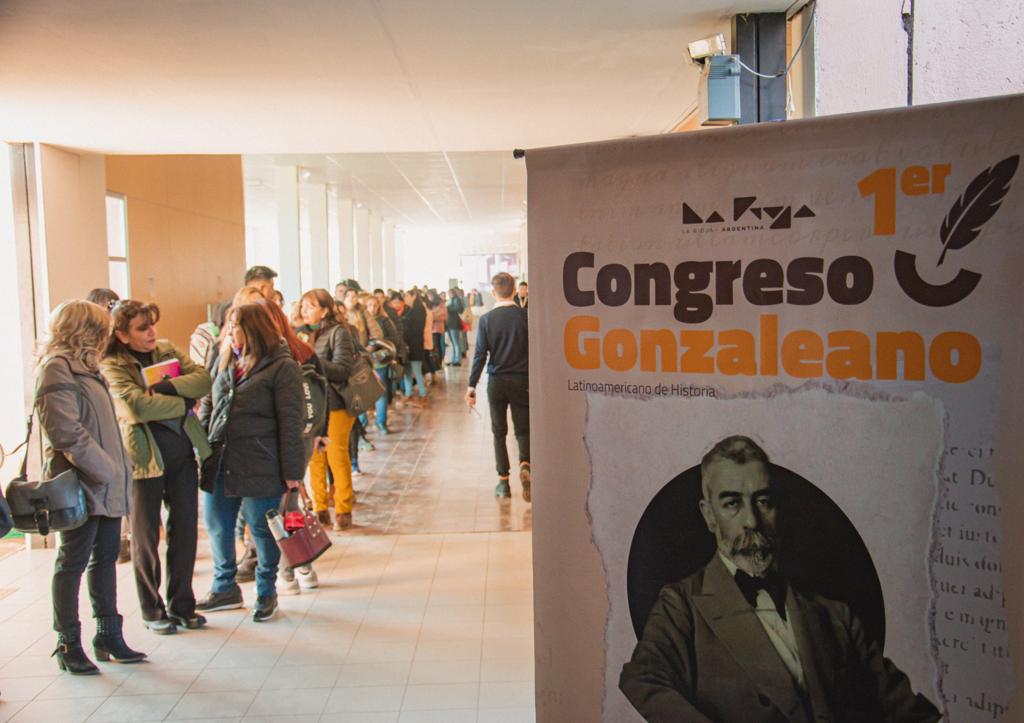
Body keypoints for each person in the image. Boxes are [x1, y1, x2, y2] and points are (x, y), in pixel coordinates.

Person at [619, 436, 942, 723]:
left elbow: (906, 710)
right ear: (708, 515)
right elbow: (643, 680)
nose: (751, 521)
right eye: (732, 504)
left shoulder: (835, 615)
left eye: (763, 501)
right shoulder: (681, 605)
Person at [36, 300, 145, 674]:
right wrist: (108, 468)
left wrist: (117, 470)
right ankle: (67, 641)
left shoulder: (87, 368)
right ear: (84, 330)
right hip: (81, 485)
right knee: (73, 563)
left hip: (106, 483)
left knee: (105, 561)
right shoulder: (56, 368)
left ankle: (108, 634)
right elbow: (66, 432)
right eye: (100, 329)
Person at [101, 301, 213, 635]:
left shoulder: (166, 350)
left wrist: (165, 388)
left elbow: (203, 380)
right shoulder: (112, 364)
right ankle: (152, 608)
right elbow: (135, 407)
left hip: (181, 451)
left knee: (185, 532)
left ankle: (182, 604)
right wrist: (181, 403)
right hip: (144, 461)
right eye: (141, 327)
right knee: (146, 537)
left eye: (152, 324)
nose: (152, 333)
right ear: (121, 334)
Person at [196, 303, 306, 622]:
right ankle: (224, 587)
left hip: (262, 461)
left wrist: (292, 474)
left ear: (254, 329)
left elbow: (291, 422)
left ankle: (266, 591)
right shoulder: (226, 360)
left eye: (235, 326)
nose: (230, 333)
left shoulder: (282, 366)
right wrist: (203, 447)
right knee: (218, 524)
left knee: (262, 528)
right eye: (229, 326)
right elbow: (210, 405)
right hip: (221, 459)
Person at [296, 289, 358, 531]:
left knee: (336, 456)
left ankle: (343, 510)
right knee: (314, 458)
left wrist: (310, 357)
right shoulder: (305, 334)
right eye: (303, 307)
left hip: (337, 405)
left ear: (325, 310)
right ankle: (320, 509)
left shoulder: (339, 332)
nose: (304, 311)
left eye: (310, 307)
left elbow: (342, 370)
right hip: (313, 405)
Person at [465, 272, 530, 500]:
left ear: (493, 293)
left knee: (499, 432)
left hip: (497, 382)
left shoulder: (486, 320)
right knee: (523, 429)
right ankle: (525, 463)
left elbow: (480, 355)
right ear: (514, 290)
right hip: (522, 380)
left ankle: (503, 483)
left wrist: (471, 386)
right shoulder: (525, 316)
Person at [366, 295, 399, 434]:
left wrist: (379, 341)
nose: (372, 308)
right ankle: (362, 425)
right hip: (363, 363)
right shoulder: (360, 321)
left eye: (375, 305)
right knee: (363, 394)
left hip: (380, 361)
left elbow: (394, 339)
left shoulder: (384, 320)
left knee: (382, 393)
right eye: (369, 305)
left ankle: (381, 422)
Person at [395, 290, 428, 406]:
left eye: (407, 296)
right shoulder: (410, 309)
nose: (405, 298)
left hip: (415, 345)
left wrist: (405, 333)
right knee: (407, 371)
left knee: (417, 371)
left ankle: (423, 395)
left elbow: (417, 328)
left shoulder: (418, 309)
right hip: (407, 346)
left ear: (414, 296)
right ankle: (408, 394)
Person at [445, 288, 465, 366]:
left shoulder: (457, 300)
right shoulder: (450, 300)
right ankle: (454, 359)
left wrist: (448, 308)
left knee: (456, 343)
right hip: (449, 324)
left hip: (454, 324)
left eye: (450, 293)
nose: (449, 295)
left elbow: (460, 309)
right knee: (453, 343)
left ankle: (458, 360)